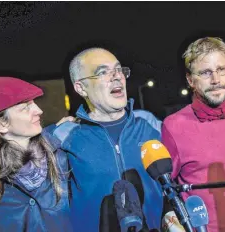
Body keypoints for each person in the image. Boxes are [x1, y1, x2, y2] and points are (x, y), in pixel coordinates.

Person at [49, 48, 167, 232]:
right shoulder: (64, 136)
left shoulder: (150, 124)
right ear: (81, 88)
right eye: (103, 72)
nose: (117, 76)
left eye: (119, 69)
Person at [162, 37, 225, 231]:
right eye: (205, 73)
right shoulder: (173, 126)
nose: (216, 80)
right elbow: (168, 189)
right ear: (190, 79)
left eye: (221, 69)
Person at [0, 76, 72, 232]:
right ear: (1, 124)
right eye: (25, 107)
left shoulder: (61, 157)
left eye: (34, 104)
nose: (39, 111)